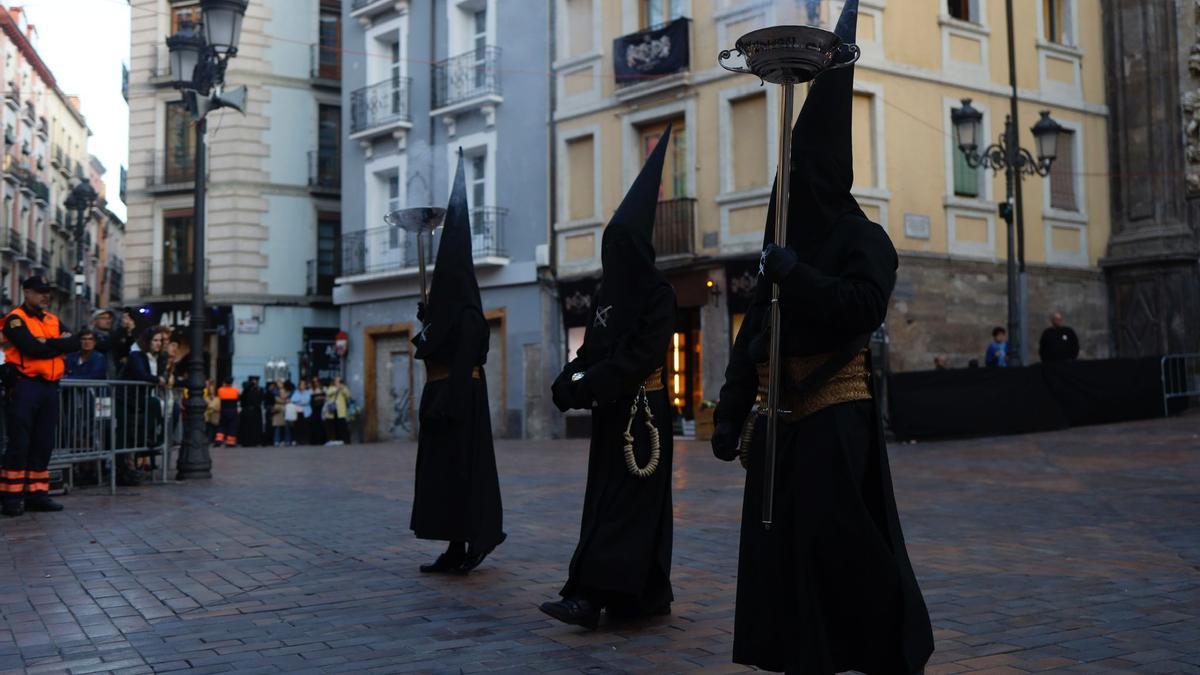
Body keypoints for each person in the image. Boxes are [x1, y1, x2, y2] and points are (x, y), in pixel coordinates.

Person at [709, 3, 933, 672]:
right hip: (780, 422)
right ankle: (800, 654)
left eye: (807, 172)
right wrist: (729, 408)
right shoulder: (783, 232)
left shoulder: (865, 240)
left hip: (837, 415)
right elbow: (757, 327)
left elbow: (859, 306)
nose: (796, 183)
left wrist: (798, 275)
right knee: (783, 551)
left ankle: (883, 644)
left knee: (842, 545)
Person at [541, 126, 678, 629]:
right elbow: (594, 349)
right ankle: (635, 594)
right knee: (604, 502)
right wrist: (568, 377)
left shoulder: (659, 295)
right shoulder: (606, 295)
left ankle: (593, 596)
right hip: (610, 416)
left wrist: (590, 384)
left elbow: (640, 357)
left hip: (645, 418)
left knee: (628, 507)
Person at [409, 152, 507, 576]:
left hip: (459, 401)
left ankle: (475, 540)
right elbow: (430, 347)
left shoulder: (468, 316)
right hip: (441, 399)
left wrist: (446, 400)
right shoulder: (447, 313)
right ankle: (452, 545)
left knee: (464, 475)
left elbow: (461, 354)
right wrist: (426, 320)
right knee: (442, 478)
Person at [1, 275, 82, 517]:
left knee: (43, 442)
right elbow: (30, 348)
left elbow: (75, 342)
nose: (45, 296)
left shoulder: (53, 319)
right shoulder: (14, 319)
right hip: (25, 386)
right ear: (26, 292)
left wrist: (46, 342)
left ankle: (37, 495)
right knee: (20, 443)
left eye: (47, 291)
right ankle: (11, 498)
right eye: (39, 291)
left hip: (49, 387)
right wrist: (57, 344)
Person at [323, 376, 351, 445]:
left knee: (342, 425)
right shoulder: (331, 387)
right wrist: (336, 388)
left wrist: (343, 388)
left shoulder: (344, 388)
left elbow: (348, 395)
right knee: (332, 425)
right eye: (337, 381)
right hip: (332, 410)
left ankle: (343, 439)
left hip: (340, 410)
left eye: (340, 381)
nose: (338, 382)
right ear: (335, 382)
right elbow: (328, 393)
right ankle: (333, 440)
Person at [238, 376, 264, 447]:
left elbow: (261, 399)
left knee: (255, 428)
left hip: (255, 411)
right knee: (247, 428)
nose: (255, 383)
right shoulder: (246, 390)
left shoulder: (259, 390)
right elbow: (243, 400)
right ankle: (247, 442)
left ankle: (255, 441)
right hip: (248, 411)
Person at [214, 377, 239, 447]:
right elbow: (237, 398)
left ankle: (218, 440)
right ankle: (230, 442)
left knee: (222, 426)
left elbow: (218, 398)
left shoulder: (220, 390)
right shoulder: (235, 390)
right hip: (233, 410)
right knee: (232, 426)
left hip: (223, 410)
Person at [290, 378, 311, 445]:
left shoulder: (307, 392)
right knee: (297, 427)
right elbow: (293, 400)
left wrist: (298, 401)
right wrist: (300, 400)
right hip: (297, 412)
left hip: (305, 412)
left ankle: (305, 440)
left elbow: (306, 401)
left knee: (305, 427)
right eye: (301, 385)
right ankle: (298, 440)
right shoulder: (296, 392)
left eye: (303, 385)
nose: (302, 386)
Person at [308, 377, 327, 446]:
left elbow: (326, 398)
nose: (316, 383)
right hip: (314, 410)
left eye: (317, 381)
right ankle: (314, 441)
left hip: (322, 409)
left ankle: (322, 440)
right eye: (314, 382)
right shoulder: (311, 390)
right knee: (314, 425)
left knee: (322, 425)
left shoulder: (324, 389)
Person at [271, 380, 290, 447]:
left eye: (281, 383)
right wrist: (285, 400)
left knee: (286, 427)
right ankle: (276, 441)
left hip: (285, 410)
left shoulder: (287, 391)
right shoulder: (274, 391)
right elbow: (279, 399)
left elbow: (287, 398)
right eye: (278, 383)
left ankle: (286, 441)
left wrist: (285, 400)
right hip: (278, 410)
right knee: (277, 427)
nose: (279, 384)